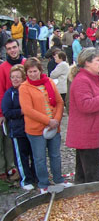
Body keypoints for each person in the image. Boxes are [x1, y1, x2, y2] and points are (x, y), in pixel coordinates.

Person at [66, 48, 99, 184]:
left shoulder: (90, 79)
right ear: (87, 63)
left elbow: (95, 103)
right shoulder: (82, 81)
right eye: (97, 60)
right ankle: (93, 201)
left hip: (90, 132)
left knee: (83, 174)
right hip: (86, 134)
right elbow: (85, 105)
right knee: (92, 176)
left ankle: (81, 198)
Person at [20, 57, 65, 193]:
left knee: (55, 155)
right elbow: (28, 110)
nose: (33, 74)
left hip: (53, 127)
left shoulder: (49, 82)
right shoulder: (24, 88)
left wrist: (56, 120)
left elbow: (59, 102)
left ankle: (58, 179)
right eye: (30, 72)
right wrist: (48, 121)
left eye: (35, 71)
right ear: (26, 74)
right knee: (39, 158)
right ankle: (43, 183)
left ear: (40, 70)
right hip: (36, 130)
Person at [1, 64, 37, 190]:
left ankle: (35, 176)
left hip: (32, 128)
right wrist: (22, 111)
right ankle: (25, 180)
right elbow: (7, 112)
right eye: (13, 77)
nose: (15, 79)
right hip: (17, 130)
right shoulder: (9, 94)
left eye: (18, 77)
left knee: (34, 154)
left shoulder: (29, 90)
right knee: (21, 157)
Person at [0, 39, 25, 181]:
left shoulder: (26, 63)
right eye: (9, 49)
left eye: (14, 47)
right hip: (12, 111)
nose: (12, 50)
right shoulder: (3, 67)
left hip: (28, 109)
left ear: (18, 47)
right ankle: (13, 168)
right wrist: (2, 113)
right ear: (6, 50)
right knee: (12, 142)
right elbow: (1, 91)